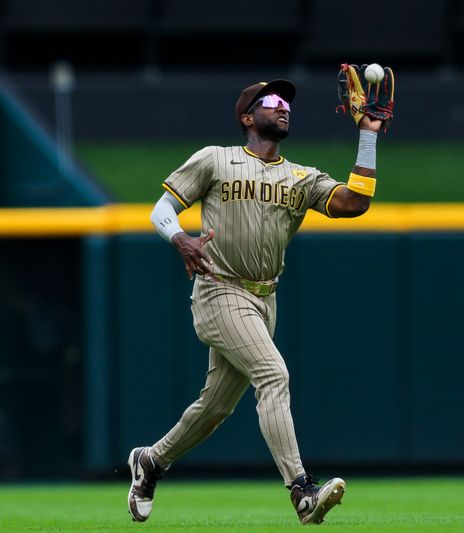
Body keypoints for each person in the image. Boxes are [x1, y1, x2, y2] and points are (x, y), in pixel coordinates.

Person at [127, 77, 386, 525]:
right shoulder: (216, 159)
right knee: (274, 373)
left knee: (215, 408)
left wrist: (367, 135)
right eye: (271, 101)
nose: (283, 105)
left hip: (264, 300)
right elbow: (160, 211)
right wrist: (180, 239)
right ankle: (302, 491)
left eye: (287, 101)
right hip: (218, 289)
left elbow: (354, 202)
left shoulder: (301, 177)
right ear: (248, 117)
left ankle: (151, 461)